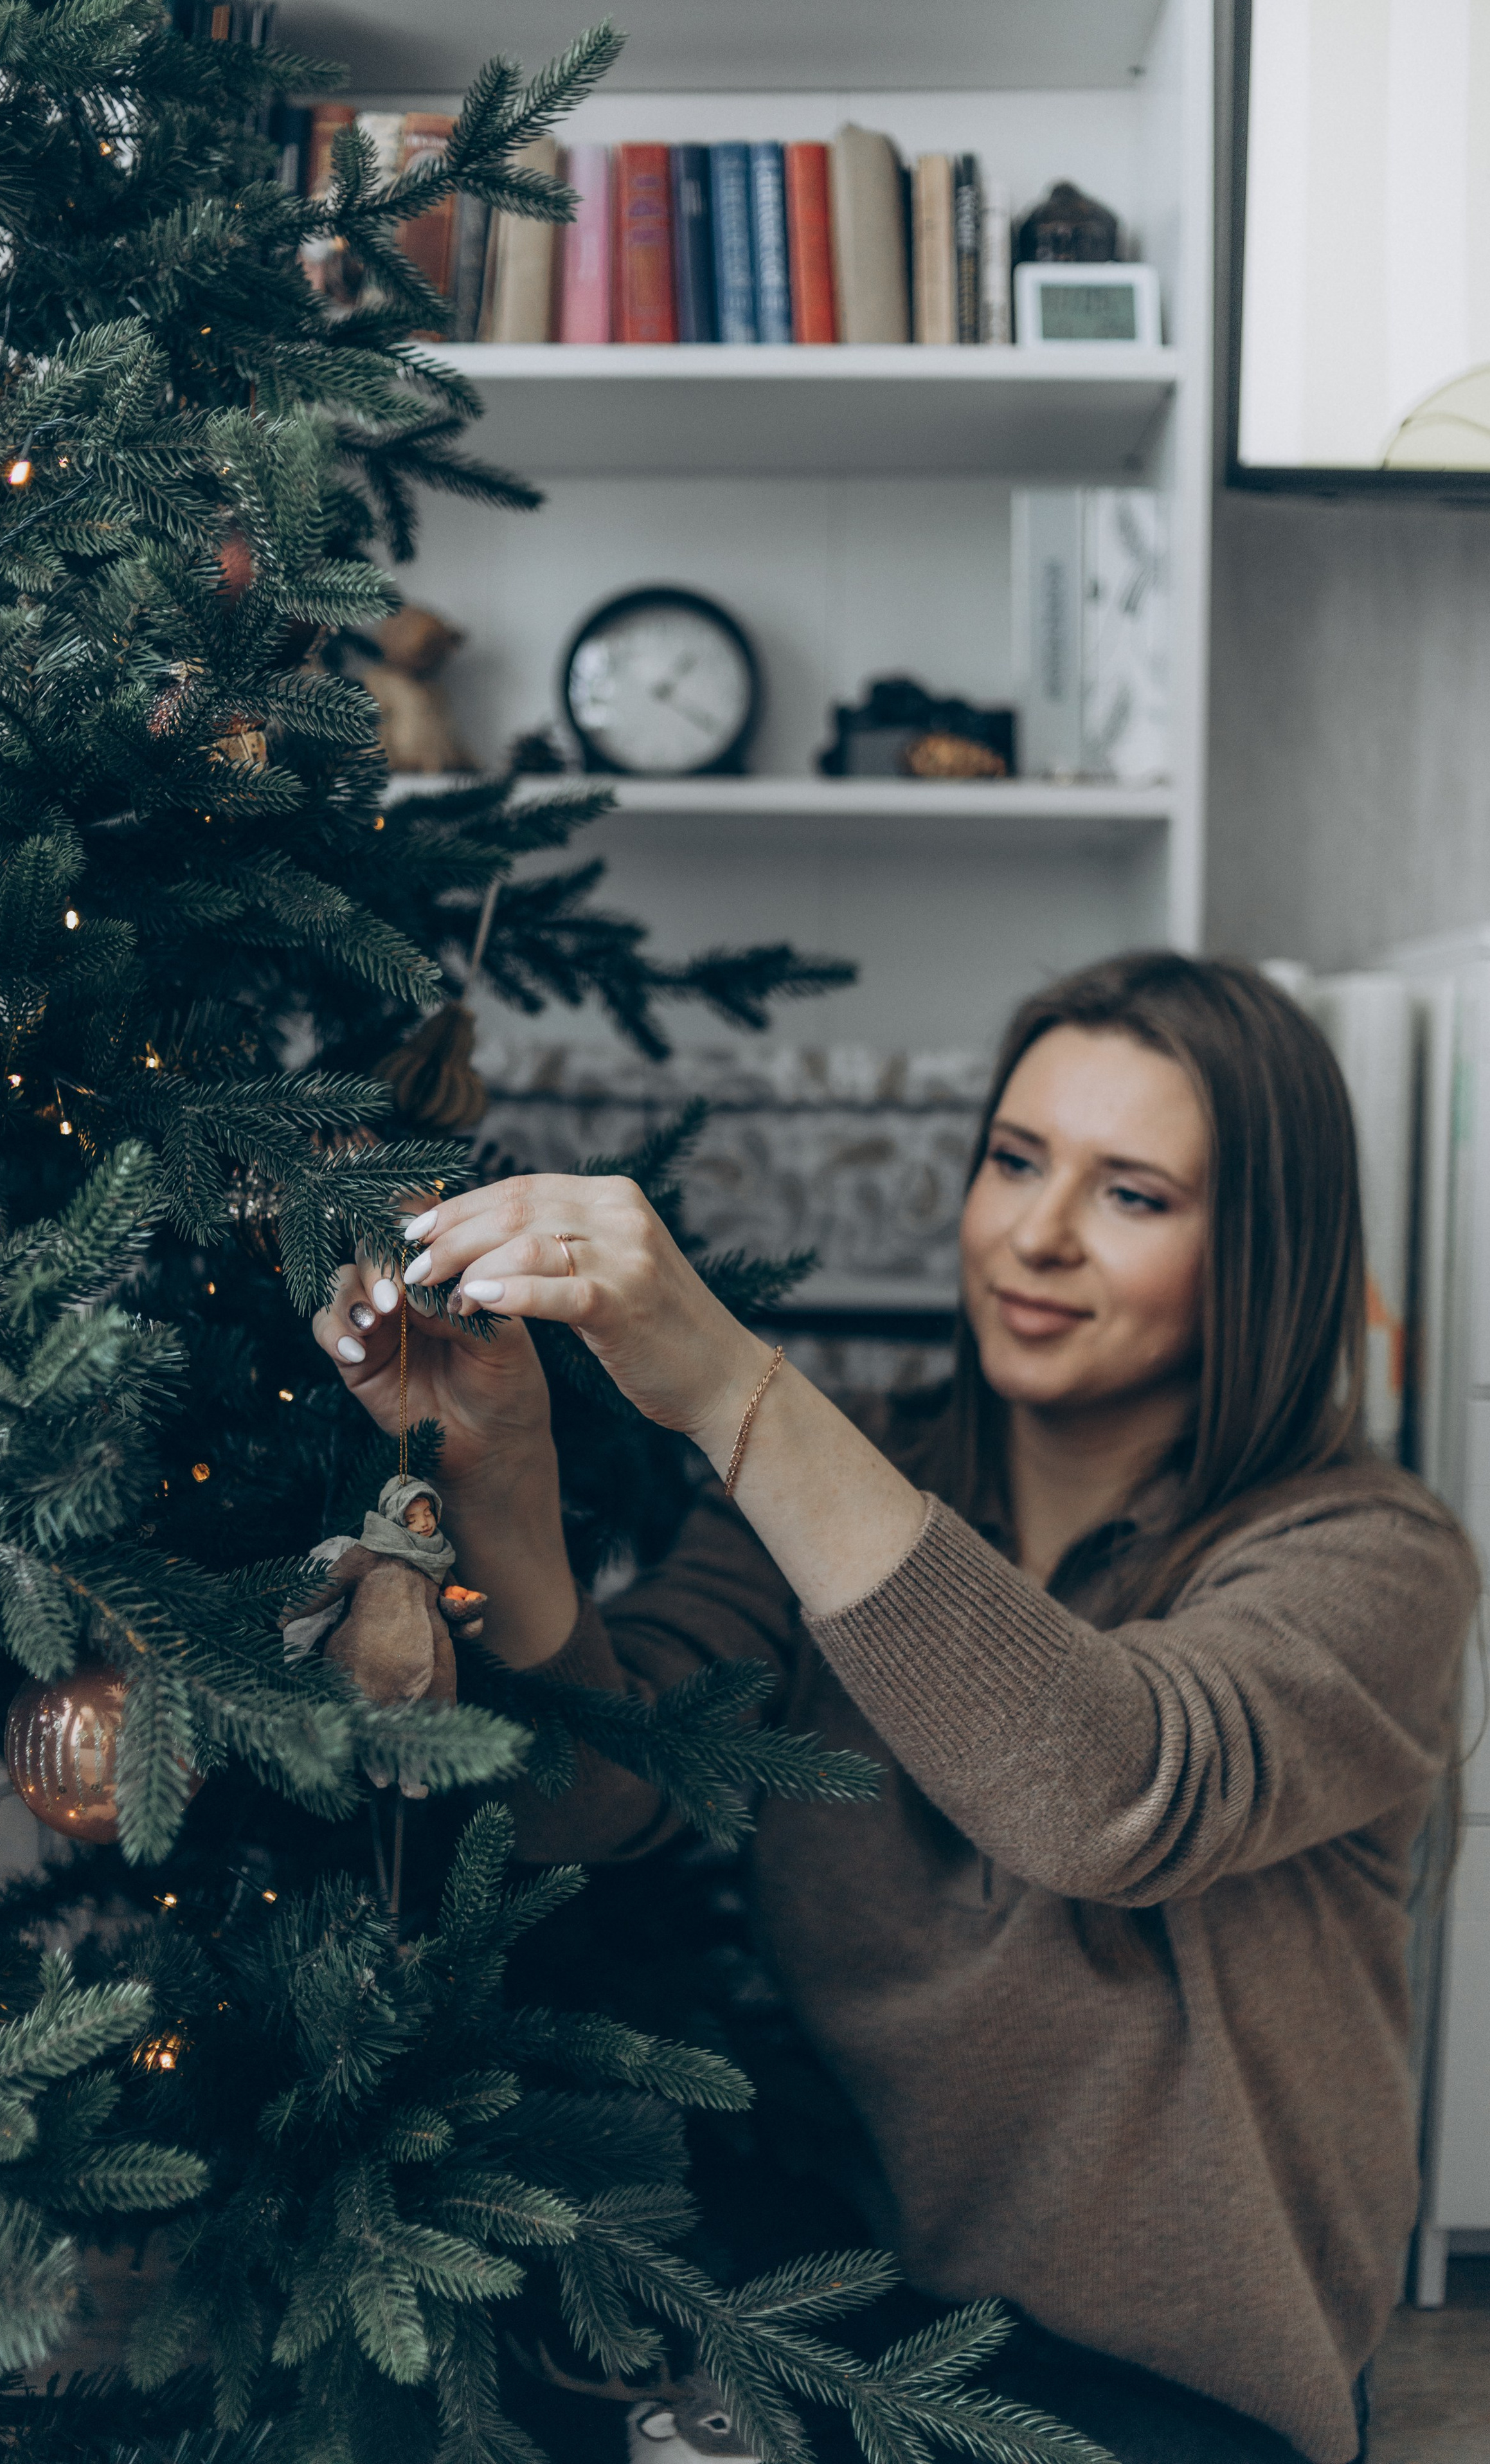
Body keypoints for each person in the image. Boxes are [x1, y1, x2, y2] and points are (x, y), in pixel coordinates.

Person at [315, 953, 1477, 2464]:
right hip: (853, 2331)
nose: (1035, 1236)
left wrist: (729, 1384)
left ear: (1260, 1254)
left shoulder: (1371, 1556)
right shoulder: (843, 1478)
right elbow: (600, 1791)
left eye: (1131, 1196)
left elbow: (1111, 1793)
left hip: (1182, 2402)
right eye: (1014, 1160)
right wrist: (506, 1488)